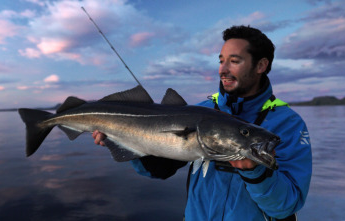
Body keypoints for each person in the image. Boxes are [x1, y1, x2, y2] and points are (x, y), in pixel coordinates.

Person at [93, 25, 312, 220]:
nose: (222, 70)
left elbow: (286, 207)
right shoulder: (201, 110)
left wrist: (257, 173)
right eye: (221, 61)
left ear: (261, 65)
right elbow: (160, 169)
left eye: (234, 61)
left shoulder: (289, 124)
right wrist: (123, 139)